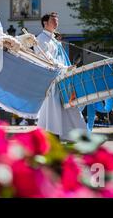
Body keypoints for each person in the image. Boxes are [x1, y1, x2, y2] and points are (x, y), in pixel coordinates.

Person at [34, 12, 86, 141]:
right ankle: (52, 135)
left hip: (61, 77)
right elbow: (45, 58)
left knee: (68, 107)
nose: (56, 23)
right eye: (53, 20)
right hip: (51, 80)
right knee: (54, 108)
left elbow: (60, 58)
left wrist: (67, 69)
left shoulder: (54, 40)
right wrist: (63, 67)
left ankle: (77, 134)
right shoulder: (41, 38)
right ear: (45, 23)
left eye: (57, 20)